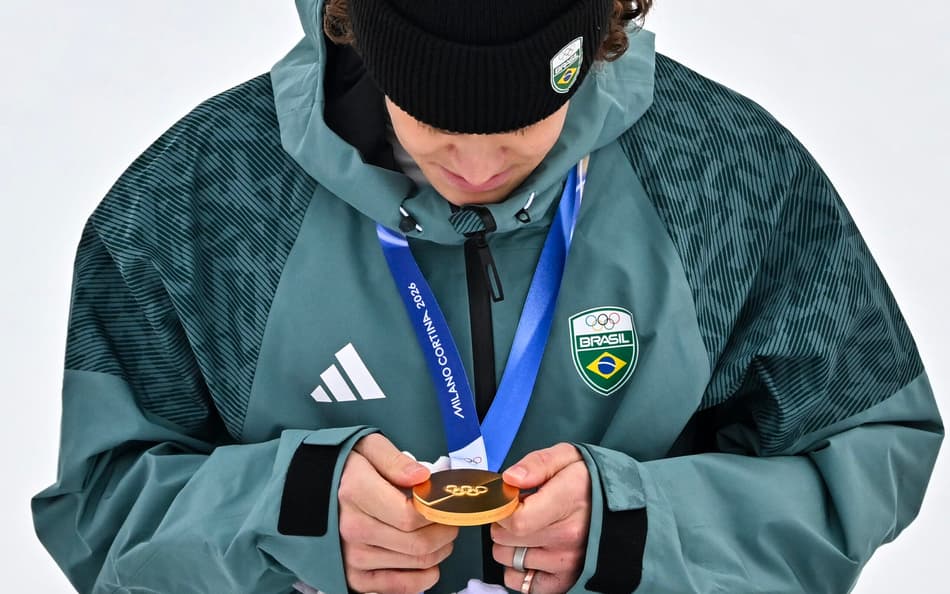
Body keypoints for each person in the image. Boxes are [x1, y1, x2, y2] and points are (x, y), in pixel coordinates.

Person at [32, 0, 943, 593]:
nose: (474, 167)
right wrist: (290, 509)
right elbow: (99, 511)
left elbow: (871, 453)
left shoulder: (727, 174)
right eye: (432, 118)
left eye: (518, 122)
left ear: (597, 41)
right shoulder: (201, 196)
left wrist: (637, 530)